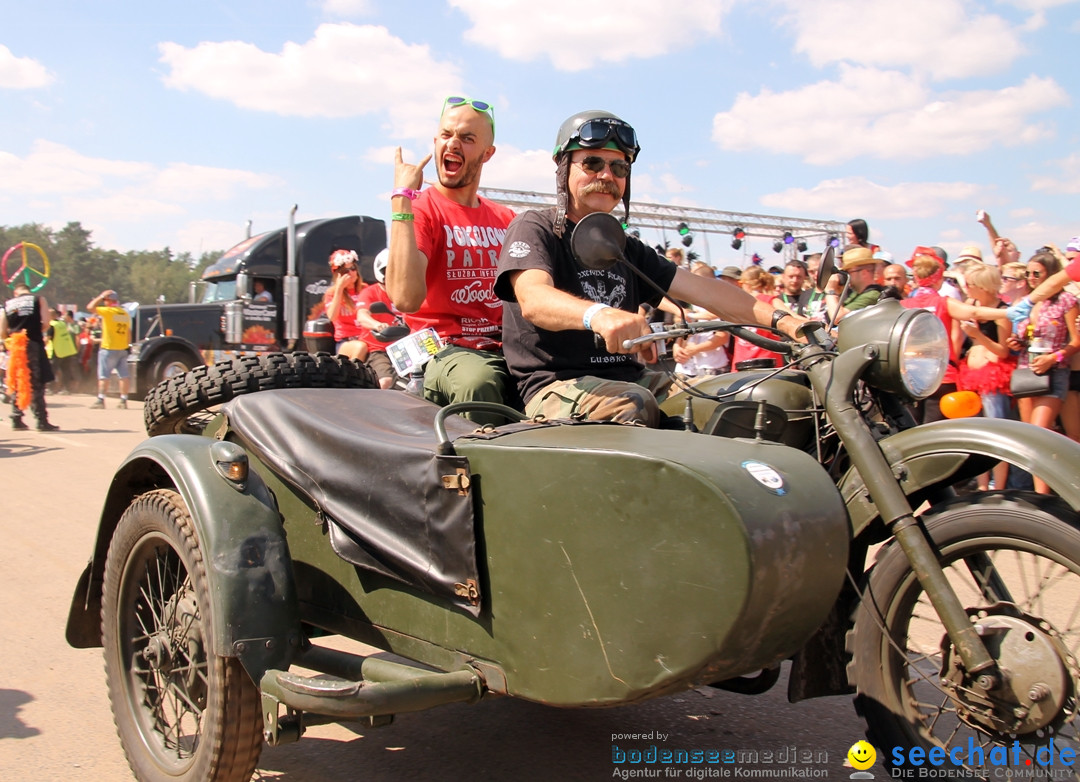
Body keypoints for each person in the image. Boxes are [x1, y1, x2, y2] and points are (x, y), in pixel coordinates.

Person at [494, 109, 804, 427]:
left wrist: (788, 322)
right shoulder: (535, 226)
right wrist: (597, 314)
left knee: (729, 402)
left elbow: (707, 292)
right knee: (633, 403)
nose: (607, 175)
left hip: (633, 381)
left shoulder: (626, 248)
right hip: (555, 388)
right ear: (563, 166)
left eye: (619, 167)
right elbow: (533, 298)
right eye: (593, 163)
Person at [388, 95, 515, 421]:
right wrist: (402, 200)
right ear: (435, 142)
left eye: (467, 138)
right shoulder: (423, 208)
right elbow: (405, 298)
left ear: (488, 153)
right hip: (446, 348)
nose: (453, 144)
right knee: (477, 382)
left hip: (507, 345)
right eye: (446, 135)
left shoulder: (506, 218)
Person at [1006, 250, 1080, 493]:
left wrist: (1053, 358)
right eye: (1027, 273)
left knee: (1040, 434)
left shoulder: (1067, 301)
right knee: (1030, 441)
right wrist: (1017, 342)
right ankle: (1042, 498)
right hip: (1028, 371)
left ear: (1050, 274)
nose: (1031, 278)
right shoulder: (1029, 303)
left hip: (1055, 371)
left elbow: (1076, 341)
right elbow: (1027, 337)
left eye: (1037, 273)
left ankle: (1051, 496)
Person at [956, 263, 1014, 490]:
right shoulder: (971, 305)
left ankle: (997, 487)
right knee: (976, 433)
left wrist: (976, 334)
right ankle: (981, 485)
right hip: (970, 374)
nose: (967, 289)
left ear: (985, 286)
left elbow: (1003, 351)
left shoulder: (1002, 312)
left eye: (971, 285)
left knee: (996, 432)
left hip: (994, 376)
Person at [1, 283, 59, 430]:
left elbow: (2, 331)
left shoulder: (8, 304)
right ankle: (41, 420)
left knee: (17, 380)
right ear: (28, 289)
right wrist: (33, 330)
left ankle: (16, 418)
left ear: (16, 292)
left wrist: (14, 333)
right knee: (37, 382)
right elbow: (46, 323)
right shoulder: (38, 299)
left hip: (15, 345)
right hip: (33, 343)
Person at [672, 263, 730, 378]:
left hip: (711, 367)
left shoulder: (719, 304)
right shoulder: (691, 305)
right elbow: (683, 332)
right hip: (687, 369)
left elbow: (722, 336)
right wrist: (677, 347)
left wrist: (695, 349)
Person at [353, 249, 400, 389]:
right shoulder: (370, 292)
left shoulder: (406, 293)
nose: (393, 275)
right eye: (389, 271)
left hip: (405, 348)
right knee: (385, 381)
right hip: (378, 349)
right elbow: (362, 315)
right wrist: (377, 325)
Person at [732, 266, 785, 369]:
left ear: (743, 284)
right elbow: (793, 318)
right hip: (768, 365)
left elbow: (711, 314)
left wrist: (692, 314)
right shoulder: (772, 301)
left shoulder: (737, 303)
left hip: (742, 365)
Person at [87, 289, 132, 409]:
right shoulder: (124, 313)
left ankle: (101, 399)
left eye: (105, 300)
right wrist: (127, 346)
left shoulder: (108, 311)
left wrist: (100, 296)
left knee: (104, 375)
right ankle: (123, 400)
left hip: (109, 348)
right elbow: (129, 332)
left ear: (108, 300)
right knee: (124, 375)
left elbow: (90, 307)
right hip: (122, 348)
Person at [323, 248, 368, 360]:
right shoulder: (331, 293)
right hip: (346, 341)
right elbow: (332, 316)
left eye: (353, 268)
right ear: (338, 275)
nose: (351, 273)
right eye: (345, 271)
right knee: (360, 347)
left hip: (368, 337)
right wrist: (339, 288)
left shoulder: (365, 289)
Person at [823, 246, 886, 321]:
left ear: (863, 273)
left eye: (848, 272)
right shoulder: (857, 293)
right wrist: (838, 293)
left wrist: (831, 292)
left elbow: (838, 318)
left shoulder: (872, 295)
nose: (845, 276)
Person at [47, 307, 79, 394]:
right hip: (67, 350)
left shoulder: (51, 325)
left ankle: (50, 389)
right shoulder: (62, 323)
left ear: (50, 316)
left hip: (57, 350)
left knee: (52, 370)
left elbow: (47, 339)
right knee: (66, 370)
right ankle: (66, 389)